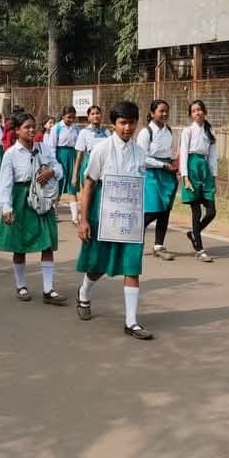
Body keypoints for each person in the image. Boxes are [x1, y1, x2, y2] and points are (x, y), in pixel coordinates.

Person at [74, 100, 152, 340]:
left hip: (130, 218)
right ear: (114, 124)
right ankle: (84, 293)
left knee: (132, 266)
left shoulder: (140, 152)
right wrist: (83, 220)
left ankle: (131, 322)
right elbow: (89, 185)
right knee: (98, 264)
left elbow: (140, 186)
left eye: (131, 123)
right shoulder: (101, 149)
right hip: (103, 215)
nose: (127, 128)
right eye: (122, 123)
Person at [0, 112, 67, 305]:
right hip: (21, 198)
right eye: (26, 127)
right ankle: (21, 285)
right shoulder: (11, 154)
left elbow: (59, 169)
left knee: (47, 243)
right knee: (20, 245)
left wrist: (51, 171)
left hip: (42, 198)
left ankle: (48, 289)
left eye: (33, 126)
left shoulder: (43, 148)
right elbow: (5, 183)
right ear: (17, 131)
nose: (31, 130)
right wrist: (6, 208)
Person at [136, 99, 178, 260]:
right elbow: (142, 158)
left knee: (165, 210)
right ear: (152, 113)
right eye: (161, 111)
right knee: (152, 210)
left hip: (167, 174)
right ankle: (134, 240)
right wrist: (162, 165)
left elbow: (170, 152)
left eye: (166, 110)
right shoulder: (146, 132)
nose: (165, 114)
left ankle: (159, 246)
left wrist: (174, 163)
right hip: (152, 174)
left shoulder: (169, 130)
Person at [179, 100, 217, 262]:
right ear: (191, 115)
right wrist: (185, 177)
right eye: (194, 111)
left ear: (204, 112)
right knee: (196, 212)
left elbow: (213, 157)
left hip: (205, 170)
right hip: (192, 168)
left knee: (211, 211)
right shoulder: (187, 131)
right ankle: (200, 249)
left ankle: (194, 233)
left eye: (200, 110)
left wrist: (213, 177)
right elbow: (183, 154)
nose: (197, 113)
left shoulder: (210, 132)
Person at [42, 106, 81, 225]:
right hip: (60, 156)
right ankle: (53, 213)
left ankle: (74, 217)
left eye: (73, 117)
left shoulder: (76, 129)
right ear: (63, 116)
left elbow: (79, 145)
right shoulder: (57, 128)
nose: (71, 119)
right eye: (69, 117)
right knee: (58, 186)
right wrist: (55, 162)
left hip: (72, 156)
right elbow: (52, 147)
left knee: (72, 186)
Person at [72, 105, 109, 198]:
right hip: (89, 165)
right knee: (88, 197)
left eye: (97, 113)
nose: (95, 116)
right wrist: (75, 174)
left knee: (102, 196)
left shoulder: (107, 132)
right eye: (92, 114)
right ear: (88, 117)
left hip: (104, 166)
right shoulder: (84, 132)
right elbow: (79, 155)